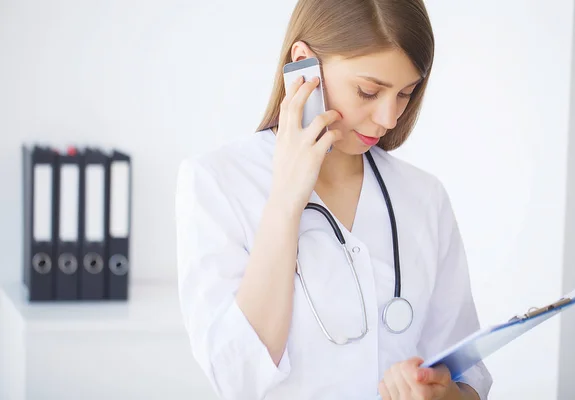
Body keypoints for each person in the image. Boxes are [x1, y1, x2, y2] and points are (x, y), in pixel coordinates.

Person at [175, 0, 493, 399]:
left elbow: (469, 373)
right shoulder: (218, 182)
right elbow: (237, 378)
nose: (389, 118)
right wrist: (286, 199)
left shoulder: (424, 197)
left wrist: (447, 396)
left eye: (405, 94)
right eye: (368, 91)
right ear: (304, 66)